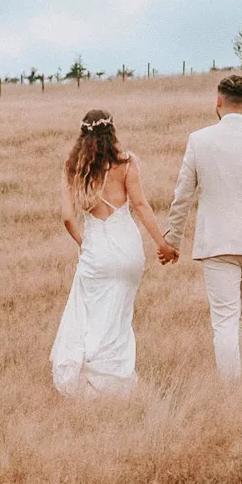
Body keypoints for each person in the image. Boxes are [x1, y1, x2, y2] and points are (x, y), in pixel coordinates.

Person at [162, 74, 242, 381]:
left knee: (224, 321)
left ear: (218, 101)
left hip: (218, 243)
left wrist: (172, 238)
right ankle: (240, 385)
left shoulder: (199, 140)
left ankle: (231, 392)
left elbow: (183, 195)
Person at [50, 109, 178, 398]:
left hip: (97, 250)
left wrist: (84, 243)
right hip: (128, 250)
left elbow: (68, 217)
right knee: (120, 315)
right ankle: (117, 378)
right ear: (112, 132)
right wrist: (163, 244)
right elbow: (141, 205)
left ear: (83, 135)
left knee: (92, 315)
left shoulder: (72, 167)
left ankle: (94, 380)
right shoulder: (126, 163)